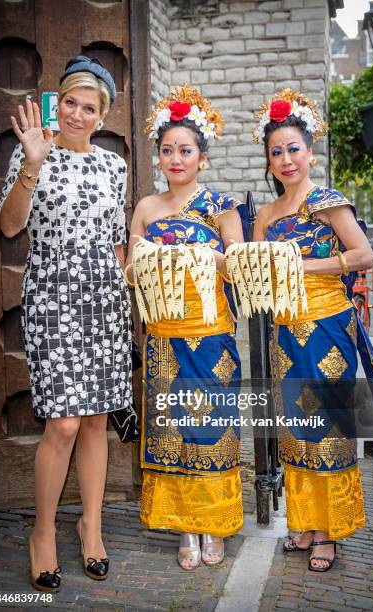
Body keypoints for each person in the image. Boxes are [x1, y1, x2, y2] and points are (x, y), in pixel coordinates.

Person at [0, 56, 134, 591]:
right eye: (71, 103)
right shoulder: (32, 151)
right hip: (53, 294)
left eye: (90, 107)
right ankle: (44, 533)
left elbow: (117, 240)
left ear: (102, 116)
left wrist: (136, 277)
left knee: (98, 419)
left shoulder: (114, 167)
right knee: (64, 423)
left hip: (105, 297)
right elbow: (10, 227)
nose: (78, 114)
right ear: (59, 103)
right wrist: (31, 163)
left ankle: (92, 525)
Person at [252, 89, 373, 572]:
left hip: (328, 327)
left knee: (328, 428)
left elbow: (363, 255)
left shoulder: (328, 201)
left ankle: (329, 532)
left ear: (310, 152)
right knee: (295, 430)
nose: (286, 159)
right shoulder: (265, 216)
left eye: (293, 149)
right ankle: (303, 522)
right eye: (276, 152)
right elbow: (257, 267)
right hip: (284, 331)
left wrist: (301, 265)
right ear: (268, 160)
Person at [124, 85, 244, 570]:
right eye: (167, 150)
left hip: (211, 330)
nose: (176, 158)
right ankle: (184, 526)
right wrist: (151, 258)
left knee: (210, 427)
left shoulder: (221, 206)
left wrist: (201, 254)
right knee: (173, 429)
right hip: (164, 335)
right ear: (158, 157)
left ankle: (213, 523)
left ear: (203, 158)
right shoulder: (147, 208)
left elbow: (237, 265)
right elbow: (131, 271)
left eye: (185, 150)